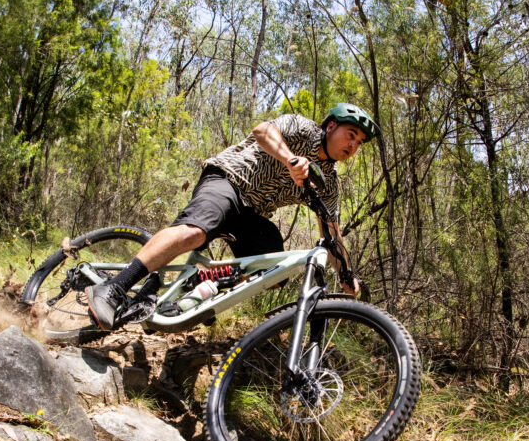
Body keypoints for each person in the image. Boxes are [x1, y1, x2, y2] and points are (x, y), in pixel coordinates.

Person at [85, 102, 380, 330]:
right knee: (194, 232)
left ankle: (198, 283)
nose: (352, 145)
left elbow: (332, 231)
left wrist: (346, 274)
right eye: (350, 135)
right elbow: (263, 131)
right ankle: (114, 288)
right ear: (330, 127)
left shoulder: (328, 181)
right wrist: (291, 159)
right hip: (228, 181)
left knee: (275, 272)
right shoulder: (301, 127)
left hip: (253, 213)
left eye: (359, 142)